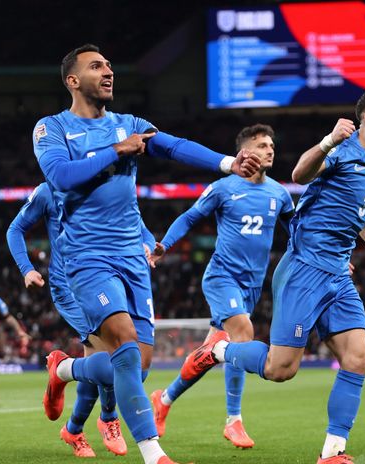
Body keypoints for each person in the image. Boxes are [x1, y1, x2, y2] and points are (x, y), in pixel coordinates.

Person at [33, 44, 260, 464]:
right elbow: (60, 177)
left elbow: (174, 147)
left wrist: (229, 162)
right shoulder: (52, 128)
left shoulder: (129, 123)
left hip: (131, 258)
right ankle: (155, 456)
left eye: (109, 66)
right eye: (96, 66)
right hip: (87, 255)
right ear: (72, 80)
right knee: (121, 340)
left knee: (134, 367)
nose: (108, 72)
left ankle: (63, 370)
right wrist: (115, 152)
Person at [180, 88, 365, 464]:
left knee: (358, 358)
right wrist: (329, 139)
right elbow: (300, 173)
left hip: (337, 277)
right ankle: (216, 350)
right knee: (281, 370)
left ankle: (332, 453)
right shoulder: (341, 152)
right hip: (304, 269)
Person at [147, 124, 294, 449]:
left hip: (252, 287)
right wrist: (163, 246)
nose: (270, 149)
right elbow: (188, 217)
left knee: (210, 354)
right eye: (261, 145)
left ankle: (165, 399)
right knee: (243, 333)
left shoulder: (279, 194)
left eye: (272, 144)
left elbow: (295, 232)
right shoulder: (223, 188)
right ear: (245, 152)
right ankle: (234, 420)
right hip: (221, 277)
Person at [7, 182, 153, 457]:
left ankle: (73, 421)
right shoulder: (49, 189)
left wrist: (147, 243)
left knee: (108, 361)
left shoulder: (110, 183)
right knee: (117, 355)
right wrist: (26, 269)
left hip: (109, 279)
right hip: (71, 287)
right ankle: (107, 419)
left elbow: (137, 222)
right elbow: (15, 229)